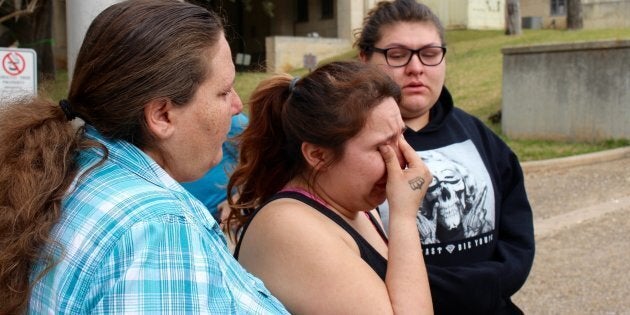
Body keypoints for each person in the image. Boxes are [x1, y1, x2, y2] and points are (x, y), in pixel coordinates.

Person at [0, 0, 288, 314]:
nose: (236, 106)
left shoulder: (69, 170)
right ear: (162, 115)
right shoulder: (157, 230)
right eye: (223, 91)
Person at [355, 0, 535, 314]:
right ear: (364, 59)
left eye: (429, 53)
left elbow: (517, 239)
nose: (416, 67)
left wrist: (485, 287)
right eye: (397, 55)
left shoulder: (477, 135)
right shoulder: (349, 149)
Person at [226, 60, 434, 314]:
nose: (401, 159)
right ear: (318, 155)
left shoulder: (355, 204)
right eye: (382, 146)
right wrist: (403, 217)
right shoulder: (288, 227)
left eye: (401, 137)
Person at [181, 112, 248, 224]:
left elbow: (264, 164)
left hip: (227, 219)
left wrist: (238, 198)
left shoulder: (231, 118)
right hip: (188, 222)